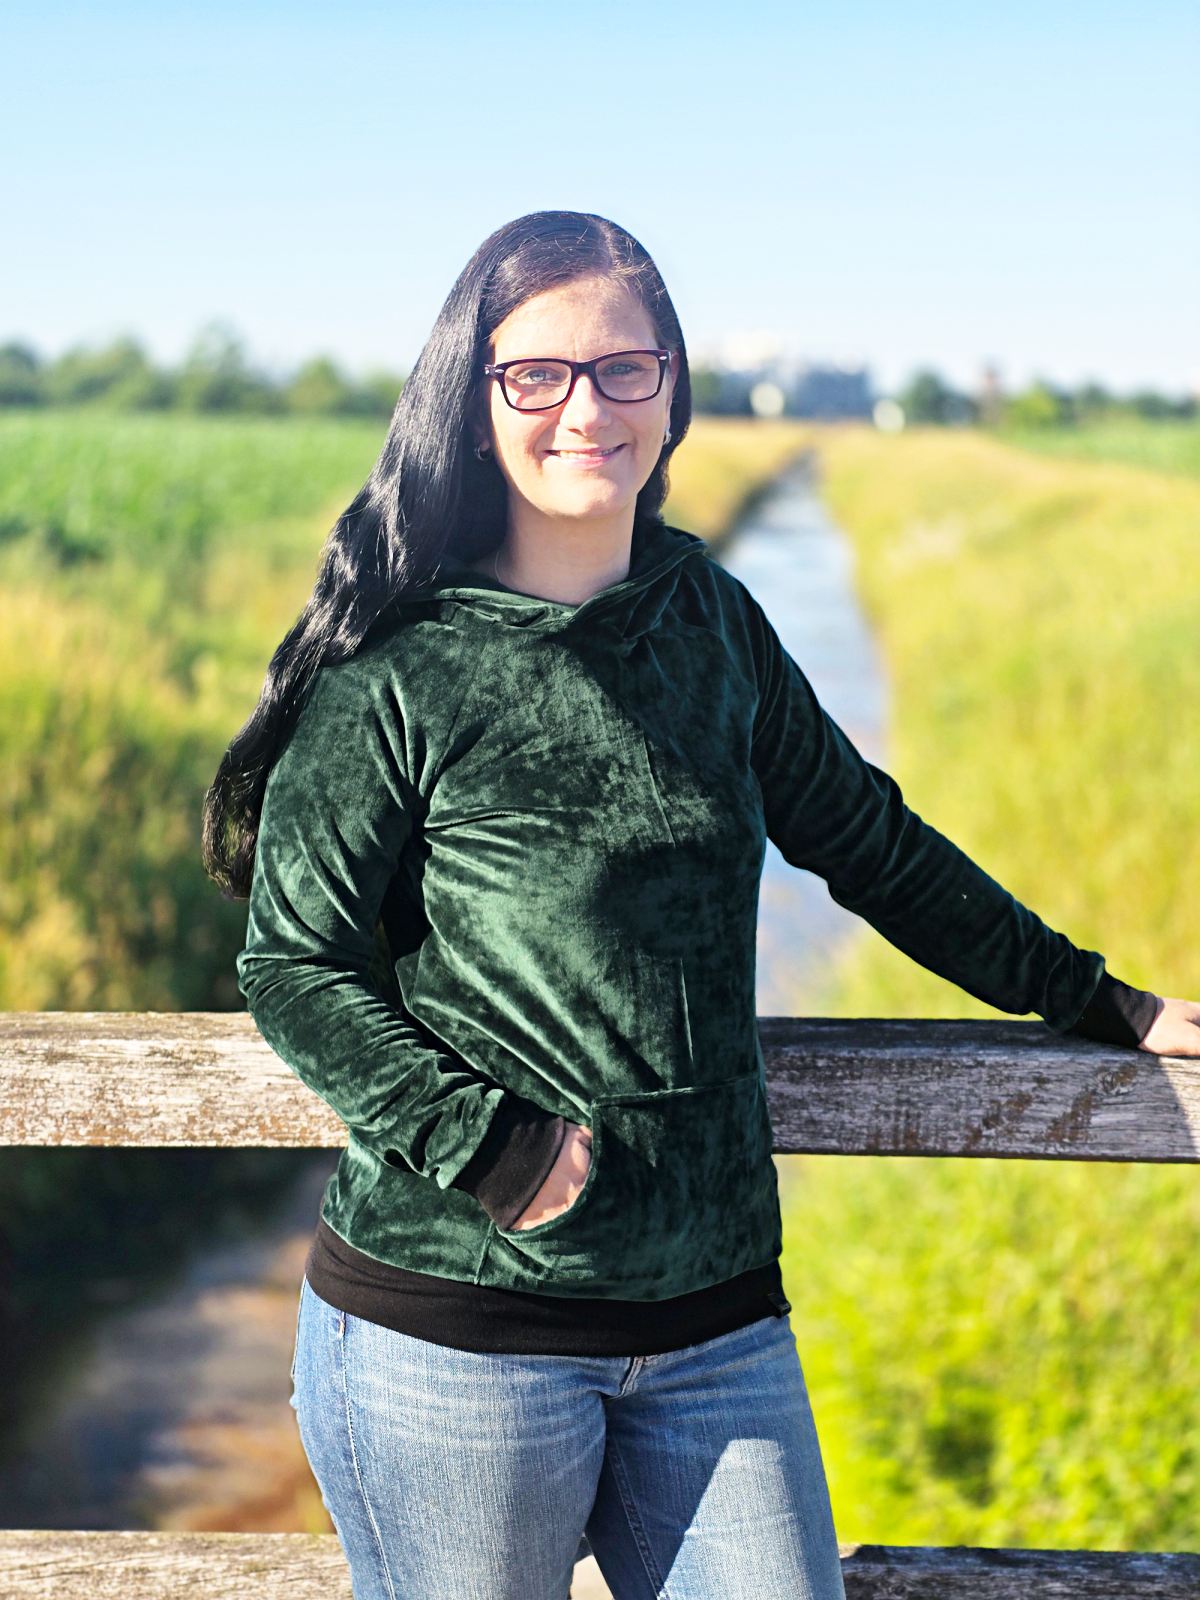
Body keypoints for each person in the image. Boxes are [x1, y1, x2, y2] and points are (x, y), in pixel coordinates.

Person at [201, 209, 1199, 1600]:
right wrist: (491, 1148)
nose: (586, 410)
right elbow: (295, 963)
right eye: (535, 374)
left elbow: (874, 847)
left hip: (717, 1323)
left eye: (625, 367)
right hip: (463, 1331)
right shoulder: (401, 666)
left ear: (672, 389)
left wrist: (1100, 999)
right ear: (472, 399)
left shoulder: (711, 619)